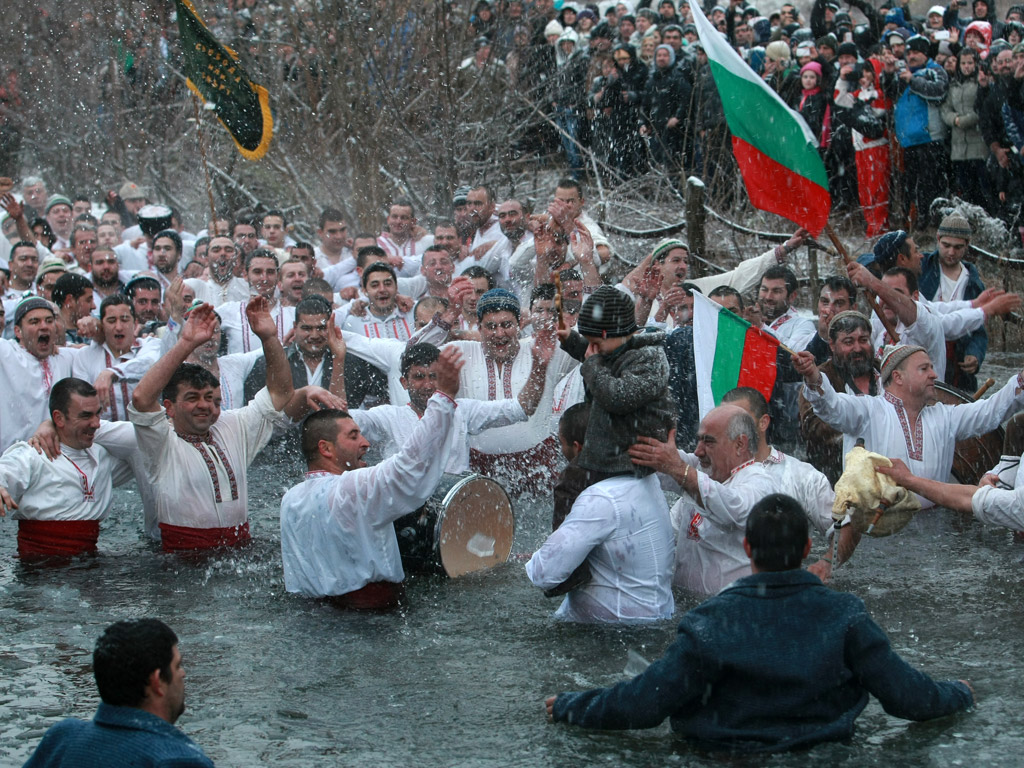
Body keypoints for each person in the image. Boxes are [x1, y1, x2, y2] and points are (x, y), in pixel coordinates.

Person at [545, 494, 974, 752]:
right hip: (824, 754)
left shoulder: (708, 624)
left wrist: (571, 705)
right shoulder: (845, 616)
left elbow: (645, 703)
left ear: (748, 547)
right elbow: (908, 699)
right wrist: (959, 693)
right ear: (808, 547)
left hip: (721, 754)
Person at [279, 347, 464, 609]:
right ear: (326, 448)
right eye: (354, 436)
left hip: (311, 619)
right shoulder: (351, 488)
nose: (366, 443)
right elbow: (410, 467)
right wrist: (443, 399)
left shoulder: (290, 498)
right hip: (372, 621)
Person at [128, 299, 294, 551]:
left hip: (239, 554)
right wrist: (185, 344)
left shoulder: (232, 426)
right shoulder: (161, 441)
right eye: (192, 398)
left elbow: (281, 393)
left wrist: (269, 338)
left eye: (210, 398)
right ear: (169, 408)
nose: (204, 406)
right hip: (182, 563)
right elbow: (141, 398)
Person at [794, 343, 1024, 500]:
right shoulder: (868, 410)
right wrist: (813, 377)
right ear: (898, 377)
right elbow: (831, 406)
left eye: (932, 368)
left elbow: (989, 412)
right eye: (924, 369)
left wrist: (1019, 383)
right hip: (877, 532)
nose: (934, 375)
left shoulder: (945, 416)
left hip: (935, 534)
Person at [22, 619, 214, 767]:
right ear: (156, 681)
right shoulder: (176, 760)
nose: (183, 673)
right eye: (177, 665)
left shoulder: (63, 738)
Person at [629, 404, 775, 595]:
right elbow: (664, 464)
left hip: (732, 612)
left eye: (708, 442)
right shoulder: (701, 469)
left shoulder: (760, 482)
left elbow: (733, 509)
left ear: (740, 444)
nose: (698, 451)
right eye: (699, 440)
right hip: (686, 606)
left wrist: (679, 470)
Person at [350, 338, 552, 473]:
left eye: (434, 376)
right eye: (419, 377)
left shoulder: (461, 411)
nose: (428, 385)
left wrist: (539, 368)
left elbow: (522, 408)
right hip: (405, 516)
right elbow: (344, 421)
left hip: (455, 511)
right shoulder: (388, 417)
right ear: (404, 383)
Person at [0, 378, 137, 558]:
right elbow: (7, 469)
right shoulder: (34, 454)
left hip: (90, 570)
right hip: (37, 573)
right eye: (86, 415)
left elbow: (147, 437)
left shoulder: (104, 456)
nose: (96, 423)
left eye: (98, 414)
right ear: (59, 418)